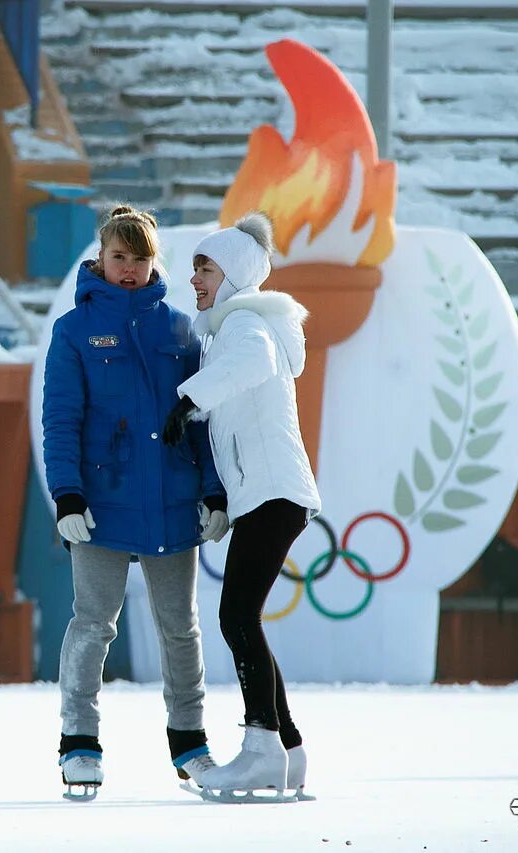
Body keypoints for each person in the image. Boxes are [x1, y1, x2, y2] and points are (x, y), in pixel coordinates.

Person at [42, 205, 229, 798]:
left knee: (180, 628)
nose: (128, 268)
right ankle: (79, 743)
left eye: (140, 258)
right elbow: (61, 418)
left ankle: (191, 745)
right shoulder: (73, 330)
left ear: (154, 262)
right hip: (100, 502)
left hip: (172, 501)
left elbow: (200, 420)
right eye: (119, 257)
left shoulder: (180, 329)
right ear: (99, 258)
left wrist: (213, 489)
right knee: (93, 624)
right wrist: (67, 495)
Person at [162, 212, 320, 802]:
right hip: (269, 493)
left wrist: (187, 399)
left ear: (234, 273)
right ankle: (289, 753)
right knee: (242, 617)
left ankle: (261, 750)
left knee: (236, 618)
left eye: (205, 268)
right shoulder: (239, 326)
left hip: (274, 492)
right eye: (195, 268)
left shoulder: (245, 324)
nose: (195, 279)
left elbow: (248, 366)